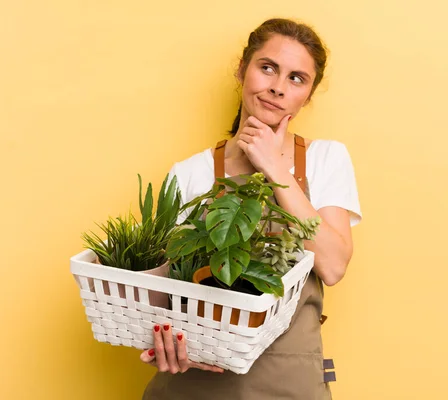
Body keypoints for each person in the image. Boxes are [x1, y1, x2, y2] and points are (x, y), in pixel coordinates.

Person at [139, 18, 362, 399]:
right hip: (195, 381)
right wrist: (159, 339)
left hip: (290, 385)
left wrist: (275, 168)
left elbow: (333, 264)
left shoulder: (326, 158)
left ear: (307, 95)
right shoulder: (189, 174)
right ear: (242, 70)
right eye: (268, 67)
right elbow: (162, 291)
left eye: (296, 78)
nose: (277, 87)